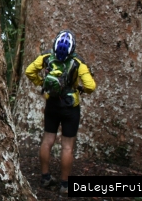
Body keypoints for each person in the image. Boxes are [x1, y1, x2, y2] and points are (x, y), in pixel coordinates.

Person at [24, 30, 96, 194]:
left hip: (52, 104)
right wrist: (79, 89)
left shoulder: (46, 58)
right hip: (71, 108)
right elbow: (91, 86)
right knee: (67, 147)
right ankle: (65, 184)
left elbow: (29, 71)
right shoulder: (78, 63)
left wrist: (41, 82)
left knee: (47, 140)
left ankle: (45, 177)